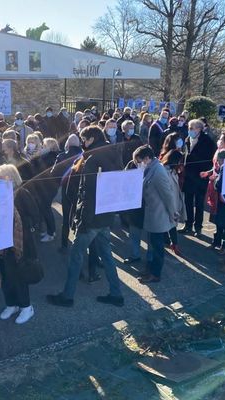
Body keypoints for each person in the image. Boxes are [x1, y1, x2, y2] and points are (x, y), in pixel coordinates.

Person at [47, 126, 124, 308]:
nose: (83, 143)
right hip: (106, 215)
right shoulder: (113, 154)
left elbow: (88, 193)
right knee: (106, 255)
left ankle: (67, 297)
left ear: (91, 138)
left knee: (76, 255)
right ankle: (116, 294)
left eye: (85, 139)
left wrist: (84, 221)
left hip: (92, 218)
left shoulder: (93, 159)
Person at [0, 164, 40, 324]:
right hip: (2, 244)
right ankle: (11, 304)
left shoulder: (22, 193)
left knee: (19, 276)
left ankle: (26, 307)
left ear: (11, 177)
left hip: (20, 244)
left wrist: (22, 227)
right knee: (6, 276)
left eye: (2, 176)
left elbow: (35, 215)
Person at [133, 145, 177, 283]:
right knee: (152, 244)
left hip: (159, 215)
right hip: (152, 214)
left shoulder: (158, 171)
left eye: (139, 161)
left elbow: (168, 195)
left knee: (157, 247)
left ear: (147, 158)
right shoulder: (150, 168)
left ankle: (155, 274)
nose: (138, 164)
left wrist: (173, 214)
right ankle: (150, 269)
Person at [180, 119, 217, 236]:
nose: (189, 130)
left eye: (192, 128)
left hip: (200, 176)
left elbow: (211, 160)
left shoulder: (207, 141)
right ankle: (188, 224)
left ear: (199, 129)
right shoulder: (187, 140)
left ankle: (198, 227)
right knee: (188, 202)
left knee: (199, 203)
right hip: (188, 176)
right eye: (189, 128)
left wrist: (206, 171)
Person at [52, 134, 83, 253]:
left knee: (66, 218)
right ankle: (78, 242)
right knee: (78, 216)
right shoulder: (84, 155)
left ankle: (64, 245)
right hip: (81, 190)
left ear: (68, 144)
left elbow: (54, 173)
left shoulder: (61, 156)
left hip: (66, 189)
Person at [161, 149, 186, 255]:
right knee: (170, 224)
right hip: (167, 203)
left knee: (171, 224)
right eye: (180, 161)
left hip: (174, 202)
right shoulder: (164, 171)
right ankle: (172, 244)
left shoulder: (173, 171)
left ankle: (171, 242)